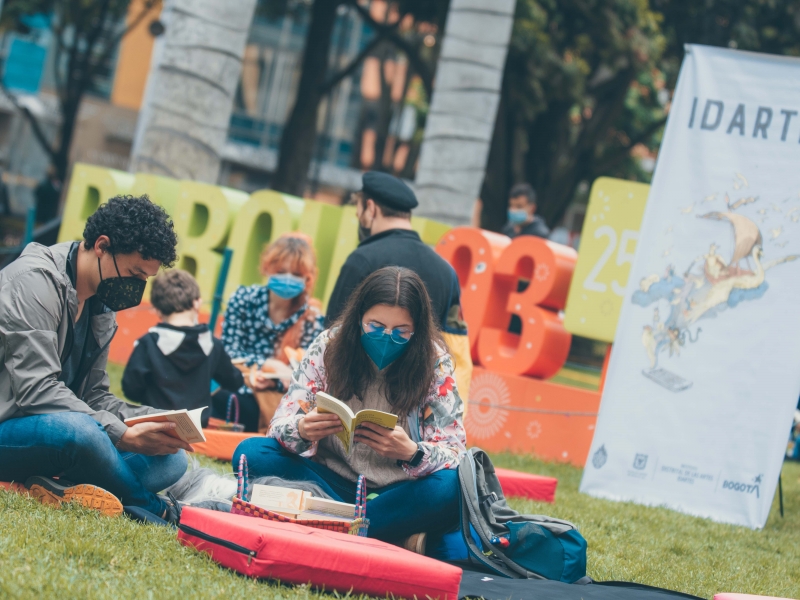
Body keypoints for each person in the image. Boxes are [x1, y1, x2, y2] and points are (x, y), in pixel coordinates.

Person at [234, 267, 466, 552]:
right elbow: (279, 425)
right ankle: (380, 531)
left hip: (398, 491)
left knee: (451, 488)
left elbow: (455, 453)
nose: (387, 337)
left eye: (401, 332)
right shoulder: (329, 345)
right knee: (251, 454)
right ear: (359, 318)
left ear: (416, 331)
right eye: (376, 327)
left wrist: (412, 452)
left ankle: (332, 524)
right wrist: (303, 429)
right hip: (331, 481)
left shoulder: (434, 361)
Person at [0, 195, 188, 521]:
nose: (137, 287)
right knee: (84, 433)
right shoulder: (34, 282)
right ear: (101, 245)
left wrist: (153, 422)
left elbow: (95, 396)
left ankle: (63, 486)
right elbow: (37, 391)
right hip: (13, 425)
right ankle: (148, 505)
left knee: (171, 460)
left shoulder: (102, 302)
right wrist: (121, 434)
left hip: (58, 432)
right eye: (134, 273)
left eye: (145, 279)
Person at [325, 171, 472, 402]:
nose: (360, 219)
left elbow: (332, 335)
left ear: (370, 208)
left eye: (359, 213)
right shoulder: (446, 271)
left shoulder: (362, 259)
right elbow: (453, 346)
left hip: (354, 394)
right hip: (419, 400)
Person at [219, 233, 325, 432]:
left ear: (307, 279)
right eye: (281, 271)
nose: (287, 279)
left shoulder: (312, 320)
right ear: (267, 267)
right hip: (237, 385)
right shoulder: (243, 300)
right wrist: (267, 365)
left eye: (296, 274)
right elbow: (226, 353)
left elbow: (309, 379)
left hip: (280, 400)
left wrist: (274, 382)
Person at [122, 269, 244, 427]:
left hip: (155, 424)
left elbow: (131, 389)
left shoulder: (148, 343)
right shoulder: (213, 345)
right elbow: (234, 382)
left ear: (157, 310)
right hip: (197, 428)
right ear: (197, 303)